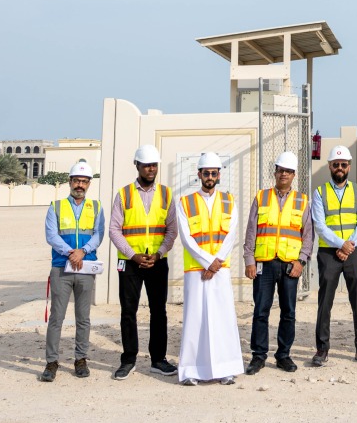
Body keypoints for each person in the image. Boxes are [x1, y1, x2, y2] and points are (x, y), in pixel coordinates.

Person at [108, 144, 178, 380]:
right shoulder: (124, 194)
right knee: (129, 311)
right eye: (146, 165)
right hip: (130, 263)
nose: (151, 169)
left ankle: (158, 359)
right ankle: (128, 360)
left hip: (157, 261)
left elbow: (172, 230)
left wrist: (158, 254)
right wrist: (133, 255)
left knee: (159, 311)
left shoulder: (167, 194)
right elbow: (114, 230)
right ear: (137, 166)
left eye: (154, 165)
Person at [175, 152, 244, 386]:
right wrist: (207, 262)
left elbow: (231, 233)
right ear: (199, 175)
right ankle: (191, 371)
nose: (210, 177)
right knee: (195, 318)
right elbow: (186, 237)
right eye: (206, 173)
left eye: (214, 173)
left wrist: (215, 263)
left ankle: (226, 369)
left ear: (219, 175)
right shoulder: (185, 202)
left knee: (223, 318)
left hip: (220, 269)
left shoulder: (229, 201)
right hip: (196, 270)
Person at [243, 151, 313, 375]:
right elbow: (251, 232)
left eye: (288, 171)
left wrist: (302, 261)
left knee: (288, 312)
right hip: (264, 263)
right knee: (261, 311)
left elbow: (308, 235)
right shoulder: (261, 197)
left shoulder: (302, 200)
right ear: (275, 172)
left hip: (290, 265)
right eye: (281, 170)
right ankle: (258, 355)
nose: (284, 174)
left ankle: (283, 355)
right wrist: (249, 260)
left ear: (294, 175)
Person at [310, 145, 357, 367]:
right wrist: (341, 245)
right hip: (330, 251)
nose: (339, 168)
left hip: (355, 250)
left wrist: (349, 245)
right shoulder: (319, 193)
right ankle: (322, 349)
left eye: (343, 164)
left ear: (349, 166)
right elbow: (320, 225)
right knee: (325, 299)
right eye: (335, 164)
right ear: (329, 166)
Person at [40, 160, 104, 382]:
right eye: (77, 180)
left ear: (89, 184)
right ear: (70, 181)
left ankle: (80, 359)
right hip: (62, 268)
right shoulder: (56, 206)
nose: (80, 185)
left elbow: (99, 234)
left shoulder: (96, 207)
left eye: (84, 181)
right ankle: (51, 362)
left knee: (83, 318)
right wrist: (70, 253)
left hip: (85, 268)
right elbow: (51, 235)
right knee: (57, 317)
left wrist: (83, 252)